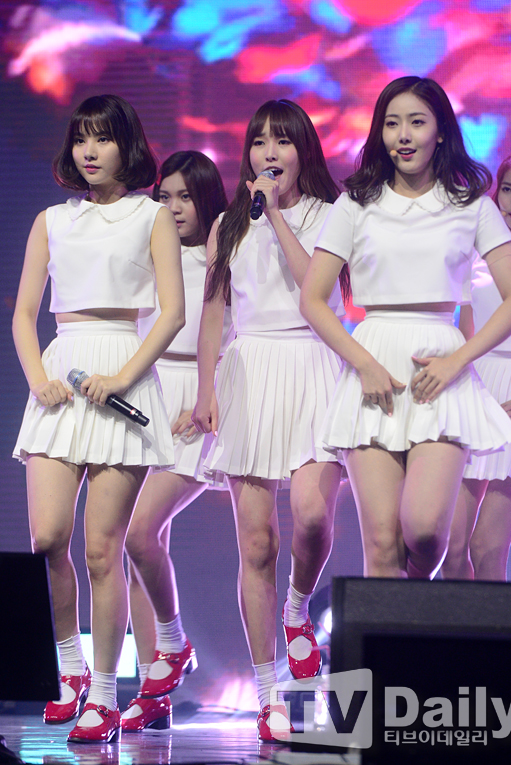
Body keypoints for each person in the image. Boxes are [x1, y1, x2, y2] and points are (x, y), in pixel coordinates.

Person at [299, 76, 511, 582]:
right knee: (382, 542)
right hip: (373, 363)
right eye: (392, 123)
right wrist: (363, 364)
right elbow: (312, 299)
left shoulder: (471, 204)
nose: (403, 135)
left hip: (441, 367)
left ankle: (411, 604)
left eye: (416, 122)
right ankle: (390, 630)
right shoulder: (354, 203)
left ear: (440, 132)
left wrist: (457, 360)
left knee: (425, 532)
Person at [12, 95, 184, 744]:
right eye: (81, 138)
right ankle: (69, 668)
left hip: (120, 373)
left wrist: (124, 376)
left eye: (102, 138)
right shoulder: (52, 220)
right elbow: (24, 313)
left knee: (100, 548)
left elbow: (172, 313)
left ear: (126, 145)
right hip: (61, 376)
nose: (89, 150)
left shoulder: (151, 216)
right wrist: (38, 379)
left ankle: (106, 696)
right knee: (47, 538)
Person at [191, 99, 348, 742]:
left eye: (282, 141)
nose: (270, 153)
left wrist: (277, 214)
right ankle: (267, 694)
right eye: (260, 141)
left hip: (314, 364)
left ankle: (297, 607)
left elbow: (316, 288)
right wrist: (205, 389)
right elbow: (214, 311)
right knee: (257, 543)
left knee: (312, 516)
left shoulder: (333, 213)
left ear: (304, 149)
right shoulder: (228, 225)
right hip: (250, 371)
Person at [120, 151, 232, 732]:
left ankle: (174, 642)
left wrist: (207, 395)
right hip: (148, 396)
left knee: (140, 534)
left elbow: (233, 333)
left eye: (185, 196)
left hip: (199, 399)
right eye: (164, 197)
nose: (173, 207)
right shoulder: (150, 252)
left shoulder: (225, 255)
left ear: (207, 198)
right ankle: (153, 690)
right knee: (141, 549)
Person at [443, 144, 511, 581]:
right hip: (477, 392)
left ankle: (493, 630)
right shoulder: (478, 251)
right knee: (449, 548)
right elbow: (466, 331)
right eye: (508, 189)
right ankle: (453, 626)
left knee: (486, 548)